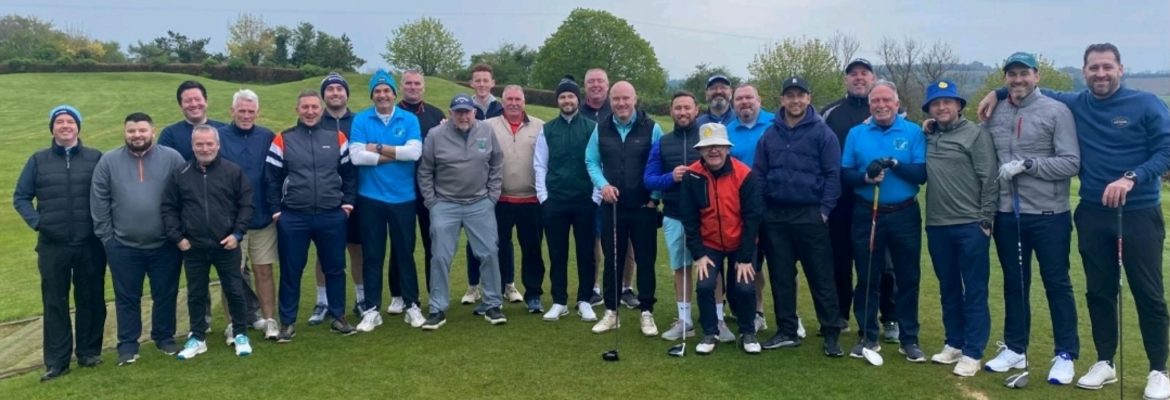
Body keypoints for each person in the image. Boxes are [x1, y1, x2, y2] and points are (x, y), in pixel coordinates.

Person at [979, 43, 1170, 397]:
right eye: (1094, 68)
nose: (1101, 74)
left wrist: (1132, 177)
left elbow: (1166, 149)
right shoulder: (1078, 102)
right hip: (1093, 212)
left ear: (1120, 68)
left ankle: (1159, 370)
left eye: (1107, 67)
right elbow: (1027, 88)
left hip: (1138, 211)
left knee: (1148, 293)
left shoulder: (1146, 104)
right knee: (1099, 290)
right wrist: (997, 92)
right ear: (1084, 72)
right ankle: (1104, 362)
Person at [981, 52, 1081, 384]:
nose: (1018, 79)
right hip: (1008, 214)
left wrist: (1028, 165)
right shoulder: (996, 110)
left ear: (1037, 76)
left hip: (1049, 214)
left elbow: (1071, 162)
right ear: (1005, 78)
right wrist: (931, 126)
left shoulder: (1056, 111)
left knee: (1057, 283)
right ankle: (1015, 348)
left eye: (1024, 73)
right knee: (1014, 283)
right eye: (1012, 74)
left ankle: (1065, 354)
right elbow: (976, 141)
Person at [753, 77, 845, 356]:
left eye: (800, 95)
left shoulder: (823, 133)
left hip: (810, 214)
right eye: (790, 95)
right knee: (781, 277)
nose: (795, 101)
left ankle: (831, 333)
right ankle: (787, 331)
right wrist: (763, 210)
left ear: (808, 98)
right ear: (782, 100)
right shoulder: (770, 134)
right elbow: (759, 174)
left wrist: (825, 212)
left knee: (821, 276)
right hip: (776, 216)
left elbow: (833, 175)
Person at [14, 105, 106, 380]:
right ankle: (57, 361)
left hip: (89, 243)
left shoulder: (95, 158)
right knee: (55, 302)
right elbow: (21, 197)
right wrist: (38, 223)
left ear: (78, 127)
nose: (65, 126)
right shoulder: (38, 160)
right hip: (52, 245)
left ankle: (88, 352)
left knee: (91, 298)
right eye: (59, 122)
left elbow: (107, 193)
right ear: (52, 128)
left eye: (70, 121)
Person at [840, 81, 927, 363]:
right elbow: (845, 173)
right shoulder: (857, 133)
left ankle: (909, 339)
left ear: (897, 103)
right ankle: (868, 336)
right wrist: (866, 177)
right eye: (875, 101)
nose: (881, 105)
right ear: (869, 106)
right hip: (867, 212)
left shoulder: (912, 131)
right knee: (867, 276)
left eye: (886, 100)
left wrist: (894, 164)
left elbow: (921, 174)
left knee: (907, 276)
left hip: (904, 213)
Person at [91, 112, 186, 365]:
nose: (137, 135)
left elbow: (184, 195)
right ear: (124, 132)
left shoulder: (172, 158)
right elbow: (99, 201)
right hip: (123, 245)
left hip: (165, 244)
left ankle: (164, 337)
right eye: (132, 131)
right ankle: (128, 345)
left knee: (165, 294)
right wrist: (108, 239)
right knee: (127, 297)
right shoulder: (108, 161)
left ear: (153, 132)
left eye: (142, 130)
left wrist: (178, 233)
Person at [266, 90, 358, 341]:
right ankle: (287, 322)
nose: (310, 111)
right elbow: (271, 179)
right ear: (297, 109)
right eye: (305, 107)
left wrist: (347, 205)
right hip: (294, 216)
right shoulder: (283, 139)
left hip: (331, 214)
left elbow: (349, 175)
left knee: (335, 268)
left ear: (321, 109)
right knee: (291, 270)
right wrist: (277, 212)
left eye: (314, 107)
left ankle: (338, 317)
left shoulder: (337, 137)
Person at [920, 80, 998, 376]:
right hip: (937, 225)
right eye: (936, 103)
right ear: (930, 109)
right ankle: (954, 342)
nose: (942, 107)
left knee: (974, 289)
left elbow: (989, 178)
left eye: (947, 102)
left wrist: (986, 219)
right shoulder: (929, 135)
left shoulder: (976, 134)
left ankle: (973, 351)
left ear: (958, 106)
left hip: (970, 225)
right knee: (948, 287)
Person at [821, 58, 901, 340]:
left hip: (878, 201)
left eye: (864, 73)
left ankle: (889, 317)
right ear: (846, 79)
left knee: (883, 263)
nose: (858, 78)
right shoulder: (830, 112)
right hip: (842, 201)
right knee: (840, 261)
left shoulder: (886, 108)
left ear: (872, 78)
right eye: (853, 74)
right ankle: (841, 315)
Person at [161, 124, 255, 360]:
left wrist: (237, 234)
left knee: (234, 290)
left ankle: (240, 334)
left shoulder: (232, 171)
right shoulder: (180, 173)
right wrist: (178, 238)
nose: (205, 148)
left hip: (226, 244)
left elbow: (246, 205)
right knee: (196, 293)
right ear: (192, 146)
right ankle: (198, 337)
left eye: (209, 144)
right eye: (199, 144)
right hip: (193, 246)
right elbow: (169, 208)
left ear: (218, 145)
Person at [417, 94, 506, 330]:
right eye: (458, 112)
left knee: (489, 252)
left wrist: (492, 195)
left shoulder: (486, 131)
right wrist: (432, 202)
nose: (463, 116)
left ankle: (493, 304)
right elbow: (425, 171)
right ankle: (437, 308)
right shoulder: (435, 135)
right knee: (440, 256)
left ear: (474, 113)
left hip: (480, 202)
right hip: (445, 203)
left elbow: (497, 162)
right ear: (450, 114)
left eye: (467, 112)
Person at [348, 70, 426, 332]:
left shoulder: (409, 119)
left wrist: (377, 147)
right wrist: (395, 153)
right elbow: (357, 156)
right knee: (373, 254)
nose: (382, 95)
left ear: (394, 93)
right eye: (378, 91)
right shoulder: (361, 119)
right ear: (372, 95)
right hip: (370, 197)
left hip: (404, 197)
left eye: (387, 90)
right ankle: (371, 310)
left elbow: (414, 153)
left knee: (405, 253)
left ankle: (411, 305)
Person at [680, 122, 765, 355]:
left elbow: (752, 218)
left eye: (718, 145)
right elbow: (689, 218)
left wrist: (745, 257)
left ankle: (748, 331)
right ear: (700, 150)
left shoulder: (744, 174)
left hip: (741, 243)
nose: (714, 150)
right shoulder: (692, 175)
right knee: (705, 285)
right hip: (709, 244)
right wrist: (698, 254)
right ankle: (710, 332)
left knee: (744, 288)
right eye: (708, 147)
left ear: (727, 148)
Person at [585, 81, 663, 336]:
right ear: (610, 101)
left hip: (644, 207)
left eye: (625, 98)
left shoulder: (652, 127)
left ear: (635, 99)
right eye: (616, 99)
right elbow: (591, 161)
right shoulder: (601, 128)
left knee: (646, 260)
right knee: (613, 260)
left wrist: (654, 198)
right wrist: (603, 185)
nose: (621, 103)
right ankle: (611, 312)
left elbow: (660, 163)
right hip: (613, 207)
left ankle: (647, 312)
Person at [535, 76, 599, 322]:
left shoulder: (591, 128)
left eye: (571, 96)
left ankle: (585, 300)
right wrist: (543, 197)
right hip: (556, 201)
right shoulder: (548, 129)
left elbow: (598, 162)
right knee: (557, 253)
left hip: (585, 200)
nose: (567, 100)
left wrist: (595, 197)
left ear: (578, 99)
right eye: (562, 97)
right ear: (558, 101)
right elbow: (540, 164)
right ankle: (559, 301)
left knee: (586, 253)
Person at [644, 91, 705, 341]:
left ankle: (718, 320)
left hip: (706, 215)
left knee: (711, 268)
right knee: (681, 267)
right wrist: (672, 177)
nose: (682, 112)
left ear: (696, 110)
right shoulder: (663, 142)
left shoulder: (707, 138)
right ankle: (684, 320)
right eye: (678, 108)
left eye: (687, 108)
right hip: (674, 215)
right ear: (671, 111)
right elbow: (649, 179)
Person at [219, 89, 279, 340]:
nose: (246, 115)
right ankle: (234, 324)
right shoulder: (219, 136)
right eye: (241, 111)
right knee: (232, 274)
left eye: (250, 111)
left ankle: (270, 320)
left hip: (262, 218)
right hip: (230, 222)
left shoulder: (267, 136)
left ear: (258, 112)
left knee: (264, 271)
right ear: (232, 111)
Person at [485, 85, 546, 314]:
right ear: (502, 102)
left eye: (517, 99)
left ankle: (533, 294)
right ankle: (496, 294)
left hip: (531, 201)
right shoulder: (488, 126)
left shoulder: (540, 126)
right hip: (499, 200)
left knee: (532, 250)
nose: (513, 103)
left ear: (524, 101)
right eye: (509, 99)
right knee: (497, 249)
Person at [580, 68, 637, 309]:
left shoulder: (616, 111)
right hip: (591, 189)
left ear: (607, 85)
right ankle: (595, 288)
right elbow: (590, 158)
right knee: (595, 240)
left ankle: (626, 287)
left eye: (600, 81)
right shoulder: (579, 112)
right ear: (585, 86)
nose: (595, 85)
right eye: (591, 81)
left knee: (628, 242)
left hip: (623, 190)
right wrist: (600, 184)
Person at [311, 72, 364, 324]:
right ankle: (322, 302)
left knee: (357, 248)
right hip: (323, 197)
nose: (335, 93)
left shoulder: (359, 121)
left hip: (356, 196)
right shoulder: (314, 121)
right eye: (330, 89)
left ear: (346, 94)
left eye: (339, 89)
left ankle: (361, 298)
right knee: (325, 251)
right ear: (324, 95)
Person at [725, 83, 775, 332]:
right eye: (739, 98)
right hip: (741, 210)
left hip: (775, 206)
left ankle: (793, 316)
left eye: (749, 97)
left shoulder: (776, 124)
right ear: (733, 103)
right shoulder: (728, 130)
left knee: (783, 264)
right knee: (752, 264)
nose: (744, 102)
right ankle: (758, 311)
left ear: (759, 100)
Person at [393, 69, 446, 306]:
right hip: (400, 189)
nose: (413, 87)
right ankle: (398, 295)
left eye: (417, 84)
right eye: (408, 83)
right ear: (401, 86)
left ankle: (435, 292)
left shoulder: (436, 115)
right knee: (402, 243)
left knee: (432, 244)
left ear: (423, 87)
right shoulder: (392, 113)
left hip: (430, 190)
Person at [461, 64, 511, 304]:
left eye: (485, 80)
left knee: (502, 238)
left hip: (497, 185)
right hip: (472, 185)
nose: (481, 84)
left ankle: (508, 283)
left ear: (493, 83)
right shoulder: (464, 108)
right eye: (477, 80)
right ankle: (473, 286)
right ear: (471, 83)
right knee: (473, 239)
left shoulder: (501, 108)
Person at [159, 80, 228, 161]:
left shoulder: (225, 130)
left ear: (206, 101)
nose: (194, 104)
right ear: (180, 105)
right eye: (188, 101)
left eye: (198, 99)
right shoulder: (169, 135)